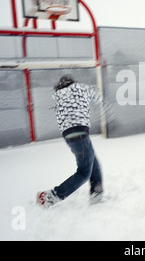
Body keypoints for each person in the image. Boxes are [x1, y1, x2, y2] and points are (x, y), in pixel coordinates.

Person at [37, 75, 104, 208]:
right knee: (84, 172)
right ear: (73, 82)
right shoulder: (82, 88)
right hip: (81, 133)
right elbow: (99, 100)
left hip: (69, 136)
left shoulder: (58, 97)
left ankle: (96, 194)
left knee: (94, 164)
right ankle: (51, 196)